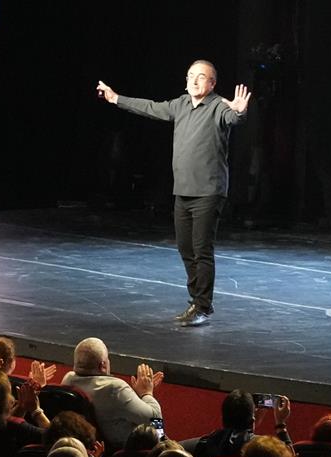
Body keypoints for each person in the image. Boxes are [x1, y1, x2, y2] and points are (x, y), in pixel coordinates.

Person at [97, 59, 256, 326]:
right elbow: (150, 107)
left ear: (212, 83)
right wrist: (116, 99)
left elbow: (234, 118)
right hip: (183, 190)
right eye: (190, 75)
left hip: (208, 191)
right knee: (185, 248)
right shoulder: (180, 104)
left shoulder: (218, 106)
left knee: (201, 249)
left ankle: (203, 306)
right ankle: (195, 301)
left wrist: (239, 112)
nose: (194, 81)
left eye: (201, 77)